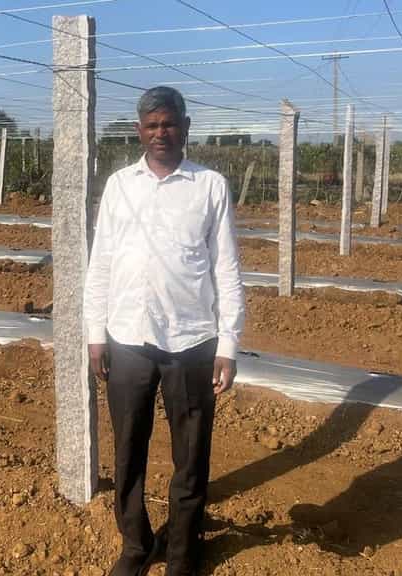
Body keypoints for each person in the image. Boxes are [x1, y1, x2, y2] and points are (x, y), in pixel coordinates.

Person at [84, 86, 245, 576]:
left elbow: (228, 269)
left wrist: (228, 343)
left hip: (192, 342)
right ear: (139, 131)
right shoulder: (119, 185)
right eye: (152, 125)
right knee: (128, 449)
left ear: (185, 126)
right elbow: (101, 263)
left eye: (169, 124)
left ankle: (183, 554)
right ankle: (136, 543)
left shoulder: (210, 186)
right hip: (127, 338)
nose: (161, 133)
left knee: (191, 456)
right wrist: (95, 333)